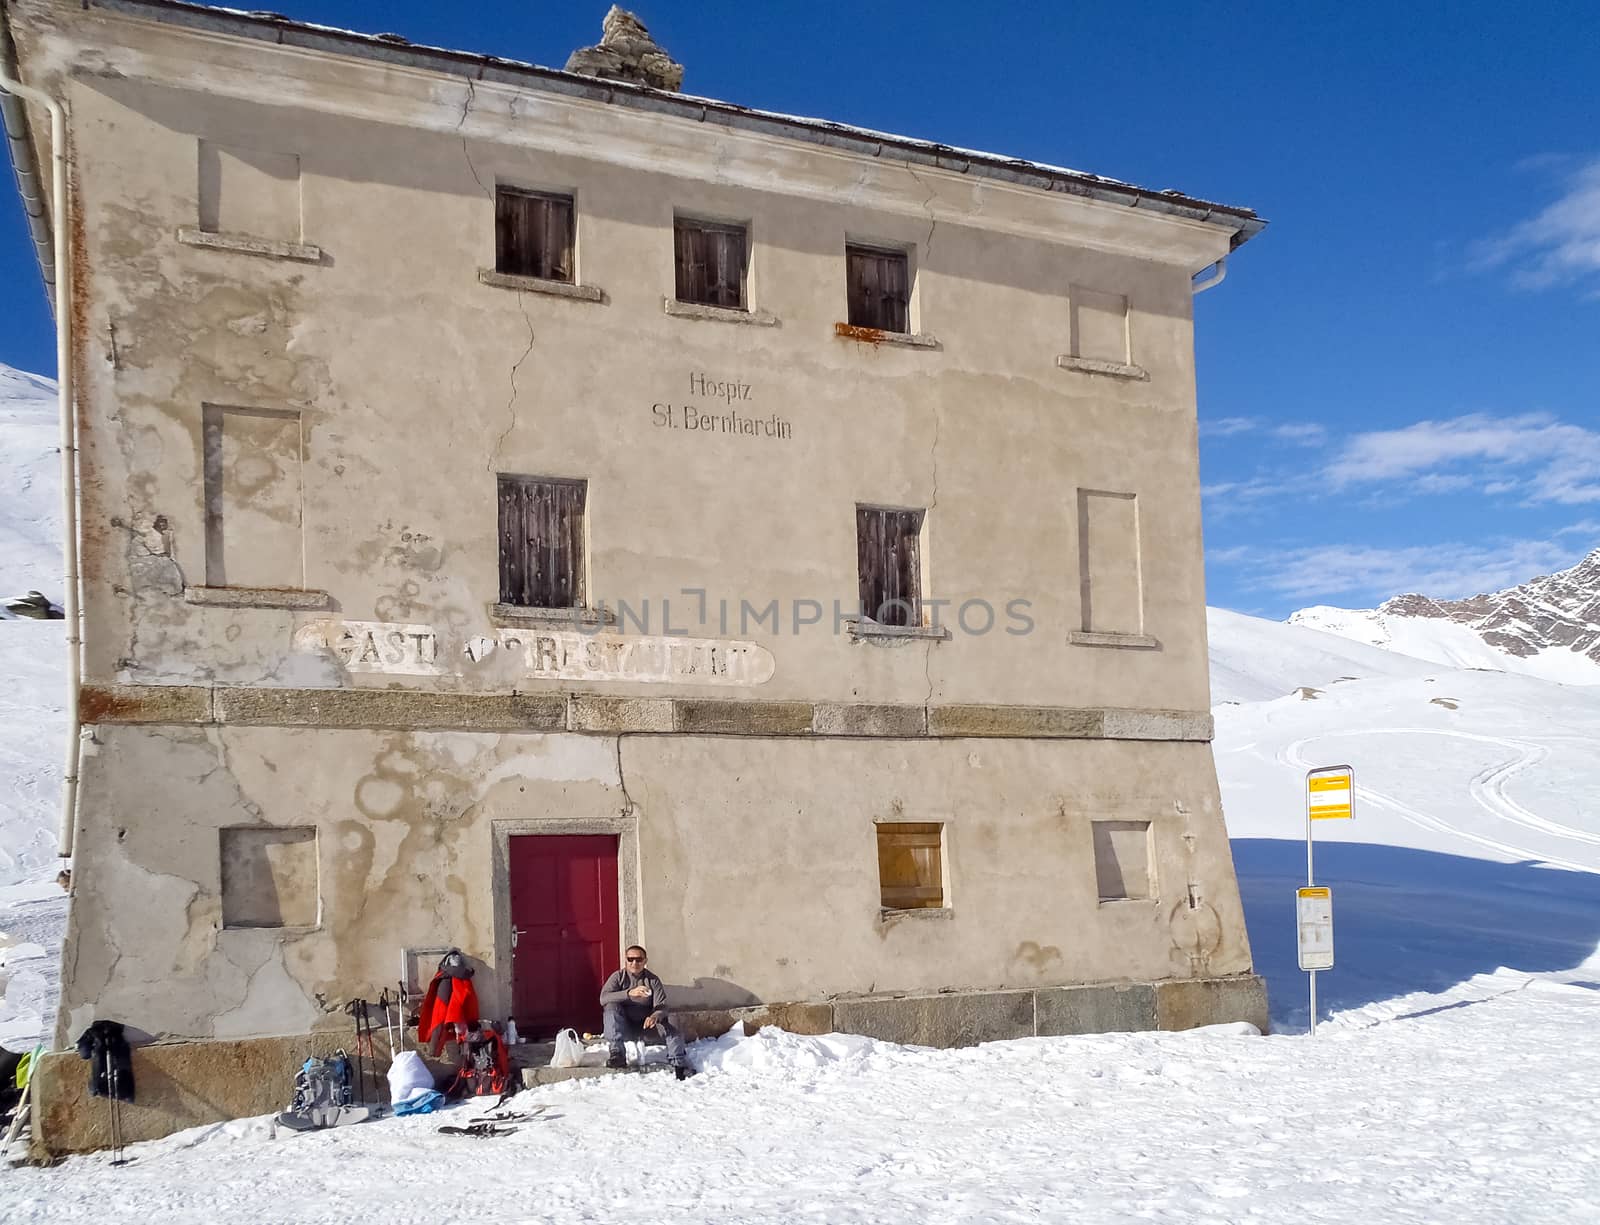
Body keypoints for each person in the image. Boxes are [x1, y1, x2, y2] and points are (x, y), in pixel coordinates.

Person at [598, 945, 694, 1080]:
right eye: (630, 959)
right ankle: (617, 1054)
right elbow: (604, 998)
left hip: (648, 1028)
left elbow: (662, 1006)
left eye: (638, 959)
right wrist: (628, 993)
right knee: (611, 1007)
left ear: (645, 961)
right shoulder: (618, 977)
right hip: (623, 1028)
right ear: (625, 960)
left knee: (672, 1018)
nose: (634, 963)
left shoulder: (652, 980)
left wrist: (655, 1015)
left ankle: (679, 1064)